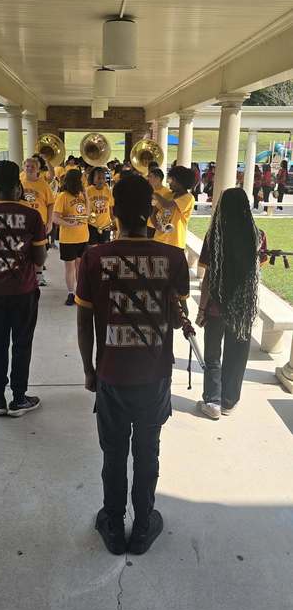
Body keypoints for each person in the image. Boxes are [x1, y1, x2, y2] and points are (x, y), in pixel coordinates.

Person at [76, 174, 189, 555]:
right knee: (147, 451)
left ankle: (112, 523)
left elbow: (84, 321)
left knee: (113, 453)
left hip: (110, 374)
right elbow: (175, 318)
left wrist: (90, 371)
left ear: (113, 211)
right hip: (154, 375)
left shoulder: (93, 257)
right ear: (150, 213)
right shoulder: (173, 258)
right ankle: (142, 526)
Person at [0, 161, 47, 417]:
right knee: (22, 344)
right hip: (24, 292)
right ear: (19, 184)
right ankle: (20, 398)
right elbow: (39, 259)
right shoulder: (32, 216)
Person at [196, 188, 267, 420]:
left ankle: (212, 401)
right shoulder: (258, 235)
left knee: (213, 355)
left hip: (216, 306)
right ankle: (229, 401)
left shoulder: (214, 236)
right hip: (243, 308)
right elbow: (259, 267)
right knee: (237, 355)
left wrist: (201, 308)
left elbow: (207, 277)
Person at [53, 168, 89, 305]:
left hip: (83, 236)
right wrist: (69, 224)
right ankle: (70, 293)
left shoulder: (81, 195)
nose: (83, 181)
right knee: (70, 267)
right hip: (68, 239)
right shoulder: (63, 196)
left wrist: (85, 195)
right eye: (80, 179)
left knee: (80, 265)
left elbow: (88, 213)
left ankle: (79, 292)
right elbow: (55, 218)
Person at [20, 157, 54, 285]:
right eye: (27, 166)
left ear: (38, 169)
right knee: (23, 249)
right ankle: (26, 273)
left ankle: (39, 275)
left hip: (40, 223)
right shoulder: (19, 182)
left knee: (40, 249)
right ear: (23, 167)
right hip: (23, 223)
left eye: (32, 166)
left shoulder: (43, 184)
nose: (29, 168)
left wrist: (50, 222)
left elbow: (50, 204)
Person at [152, 165, 195, 249]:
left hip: (174, 243)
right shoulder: (168, 194)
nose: (169, 182)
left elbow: (167, 205)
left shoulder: (188, 198)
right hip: (158, 240)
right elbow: (153, 213)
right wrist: (157, 226)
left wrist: (155, 194)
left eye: (171, 179)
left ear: (179, 181)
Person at [87, 166, 114, 244]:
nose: (101, 180)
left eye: (103, 178)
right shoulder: (88, 191)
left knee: (104, 250)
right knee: (92, 249)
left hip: (105, 225)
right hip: (92, 225)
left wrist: (113, 221)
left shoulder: (108, 190)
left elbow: (110, 208)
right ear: (93, 180)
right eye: (99, 178)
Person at [147, 167, 170, 238]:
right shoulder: (148, 190)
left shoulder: (167, 193)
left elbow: (167, 210)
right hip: (148, 224)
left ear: (158, 178)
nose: (149, 179)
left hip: (159, 225)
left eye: (151, 176)